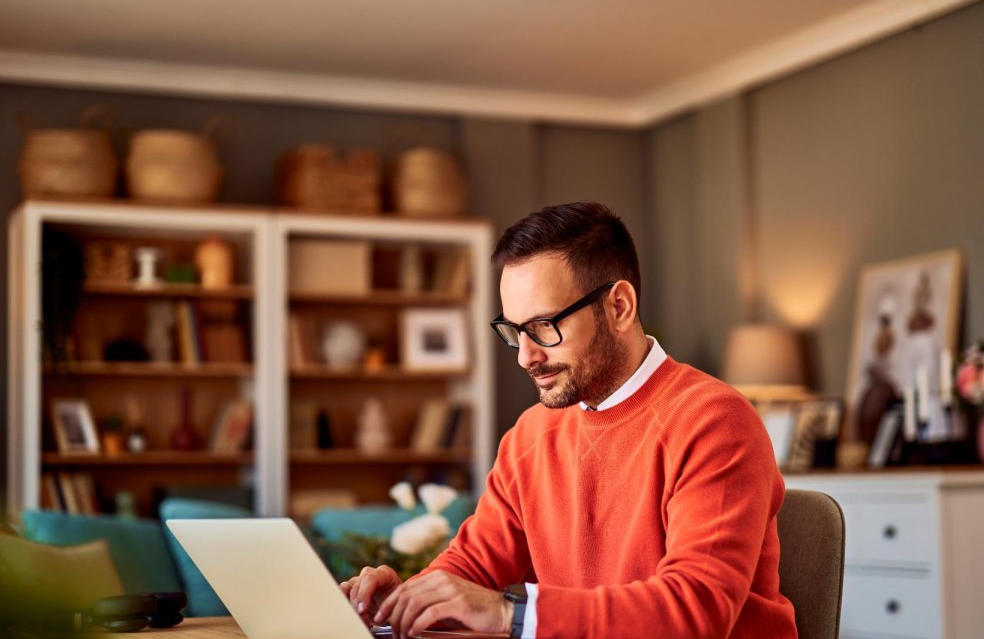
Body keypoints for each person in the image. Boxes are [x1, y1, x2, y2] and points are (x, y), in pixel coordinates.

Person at [340, 202, 797, 639]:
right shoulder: (530, 435)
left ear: (619, 307)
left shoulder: (714, 421)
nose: (525, 356)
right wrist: (401, 602)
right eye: (515, 332)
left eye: (543, 327)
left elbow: (696, 609)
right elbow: (472, 565)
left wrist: (507, 613)